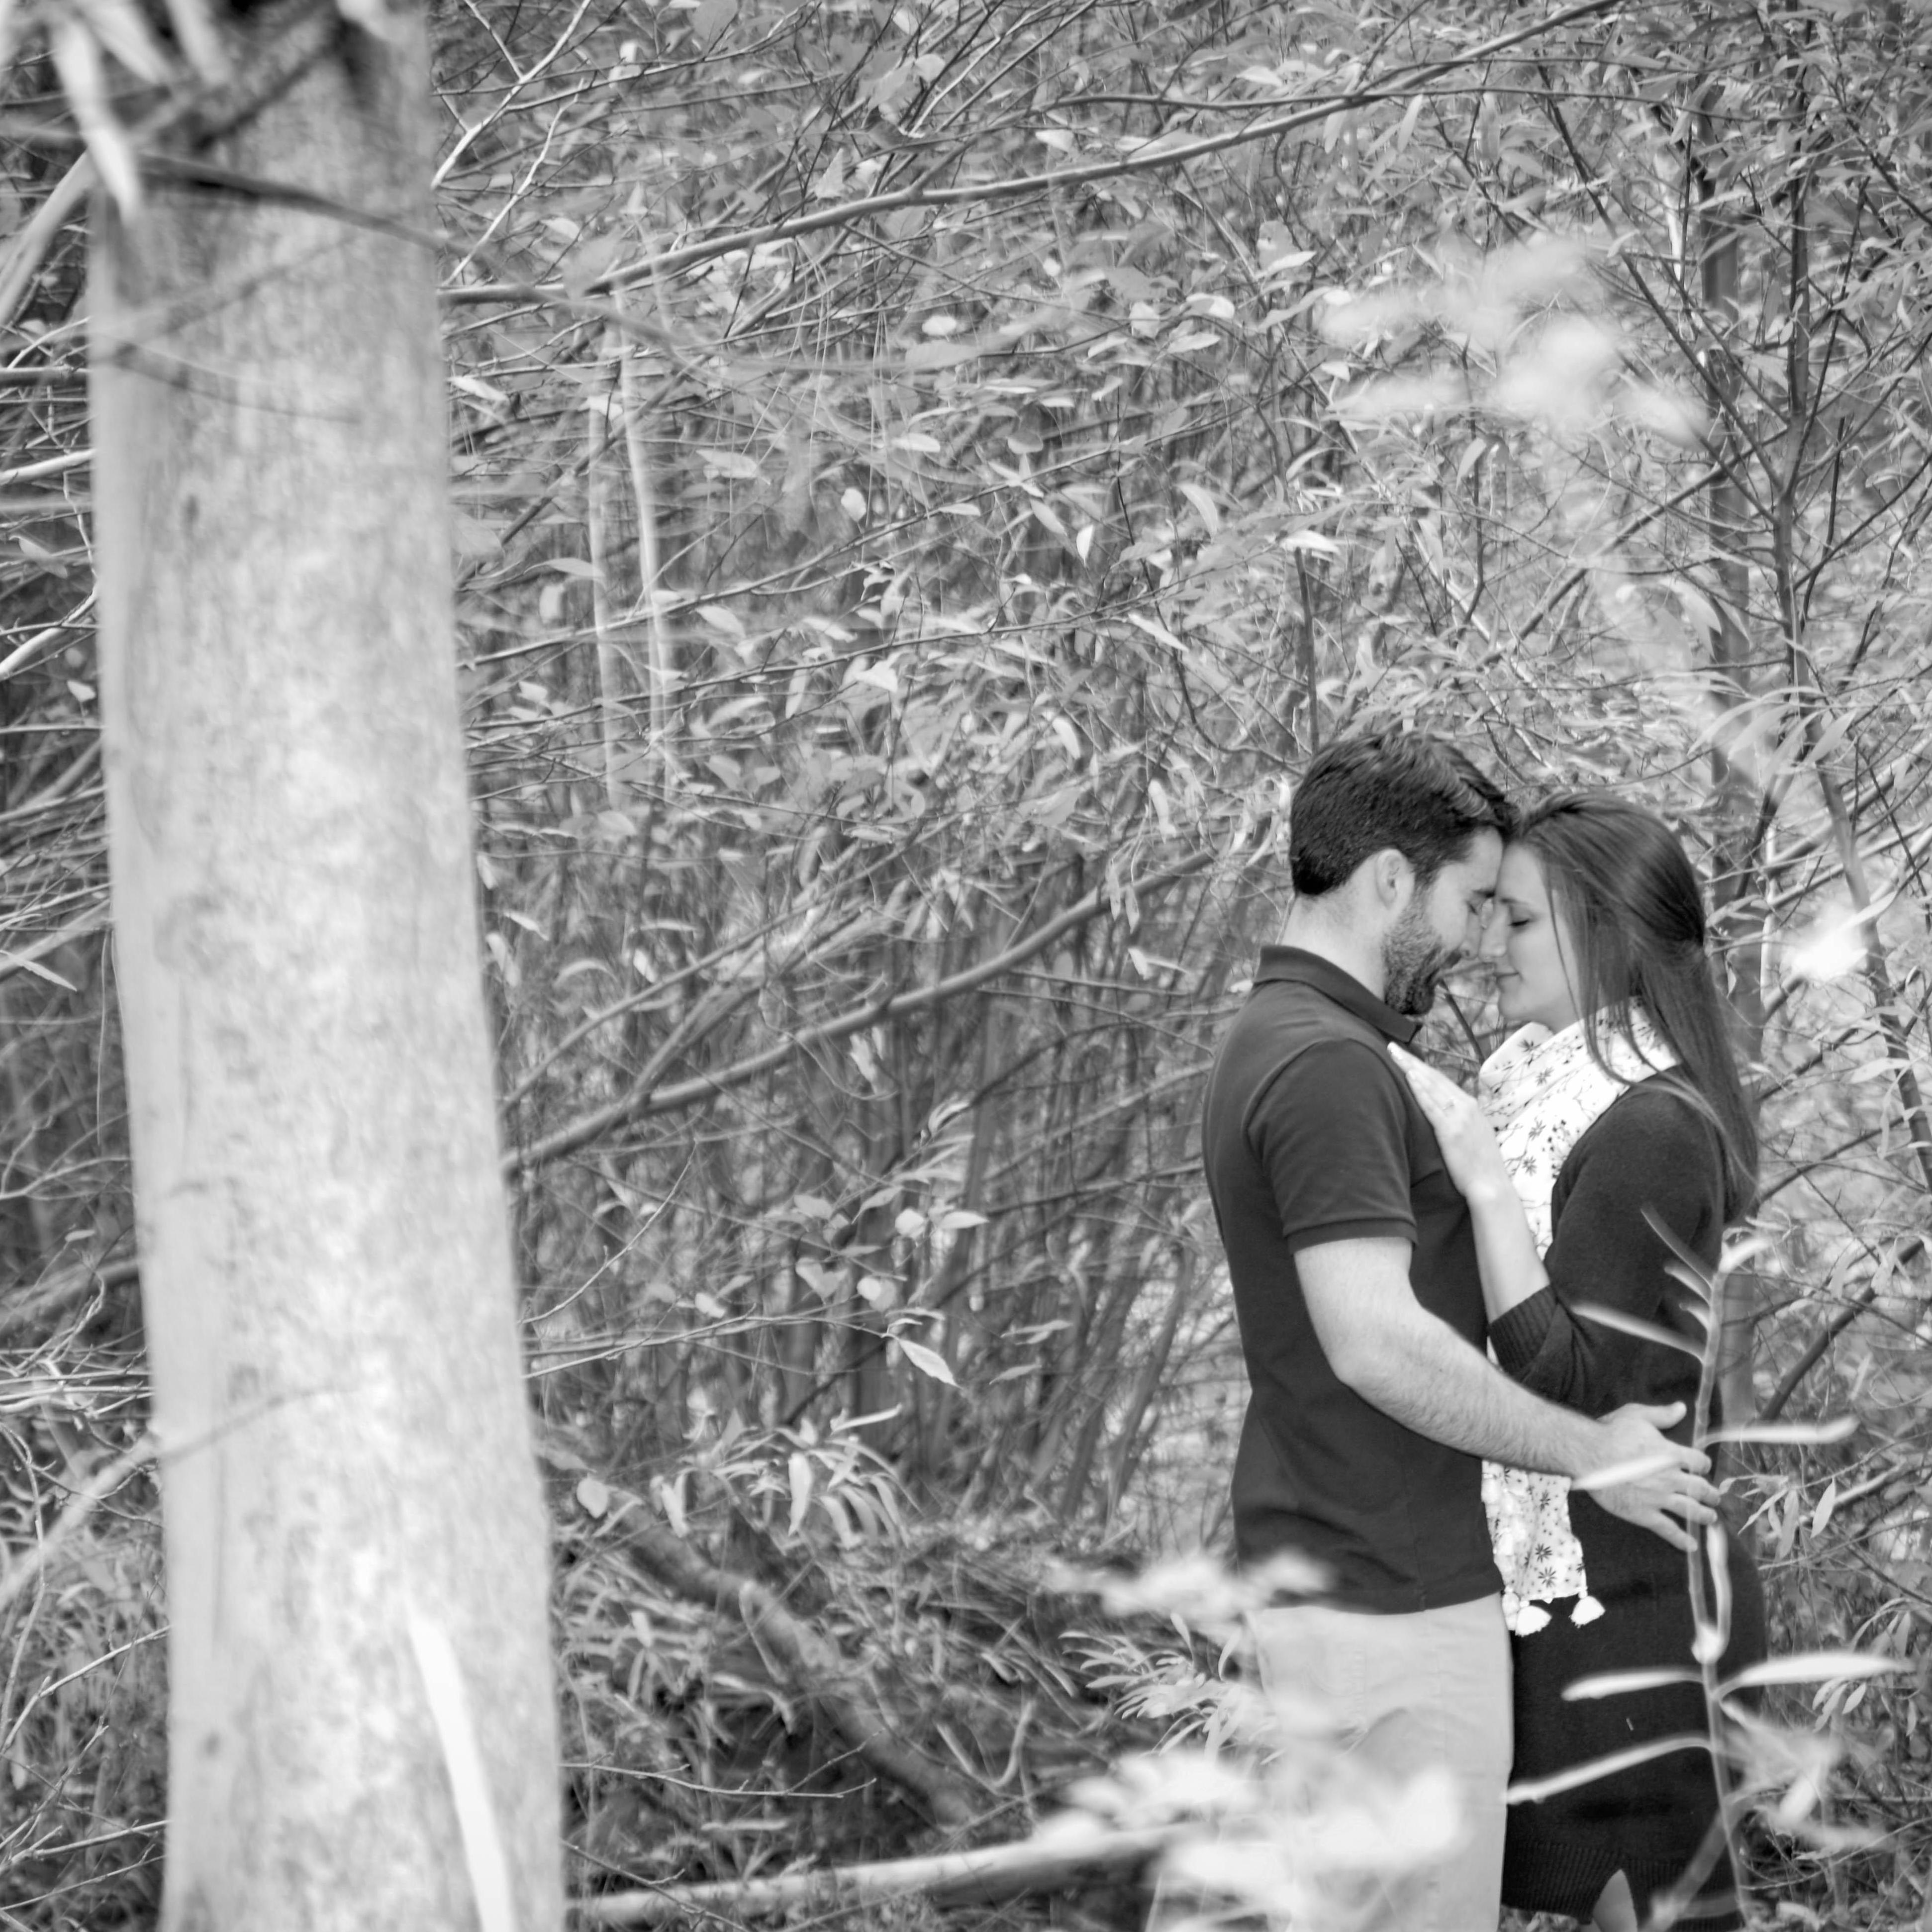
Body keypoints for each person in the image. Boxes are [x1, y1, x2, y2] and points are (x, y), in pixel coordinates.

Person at [1200, 734, 1717, 1932]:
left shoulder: (1301, 1039)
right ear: (1391, 881)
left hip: (1366, 1584)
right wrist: (1588, 1451)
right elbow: (1374, 1342)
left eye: (1509, 914)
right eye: (1473, 901)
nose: (1480, 940)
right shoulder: (1328, 1065)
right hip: (1390, 1604)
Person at [1390, 794, 1766, 1931]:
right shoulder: (1534, 1087)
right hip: (1567, 1579)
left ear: (1604, 933)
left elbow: (1567, 1374)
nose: (1487, 944)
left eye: (1518, 920)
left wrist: (1480, 1176)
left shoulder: (1653, 1122)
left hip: (1633, 1604)